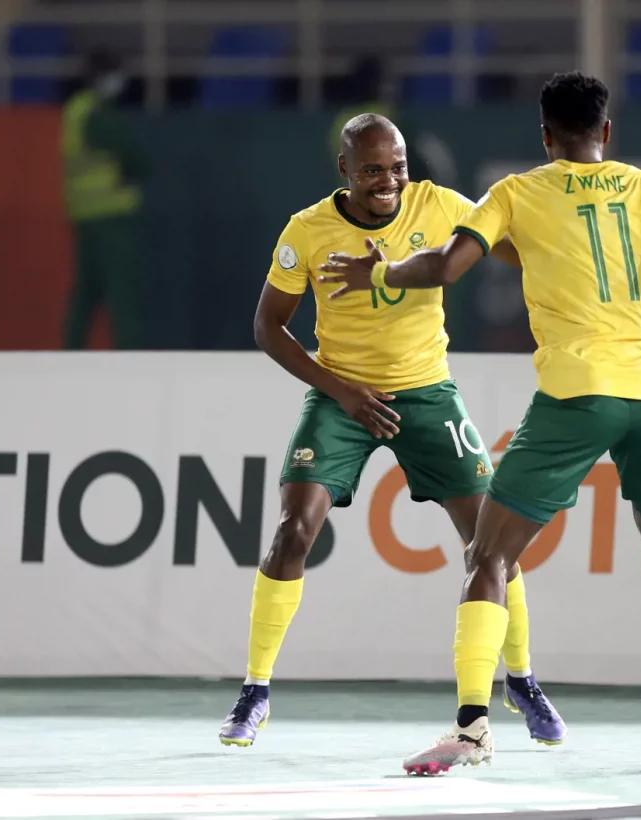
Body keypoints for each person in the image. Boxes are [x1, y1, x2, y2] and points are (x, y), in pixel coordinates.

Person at [319, 72, 641, 775]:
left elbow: (448, 267)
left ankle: (472, 729)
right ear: (606, 132)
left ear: (545, 136)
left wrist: (385, 273)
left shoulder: (516, 193)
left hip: (578, 396)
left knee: (488, 556)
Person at [218, 113, 566, 749]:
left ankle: (521, 677)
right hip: (341, 395)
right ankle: (255, 689)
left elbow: (518, 254)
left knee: (491, 543)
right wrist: (341, 390)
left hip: (428, 392)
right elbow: (269, 327)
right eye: (373, 169)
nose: (389, 181)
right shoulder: (307, 230)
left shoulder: (441, 206)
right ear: (345, 171)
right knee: (293, 533)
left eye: (398, 168)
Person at [61, 48, 148, 349]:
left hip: (84, 213)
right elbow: (135, 156)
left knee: (87, 289)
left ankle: (71, 349)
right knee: (121, 289)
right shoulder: (98, 115)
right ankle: (130, 350)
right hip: (110, 213)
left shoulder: (76, 110)